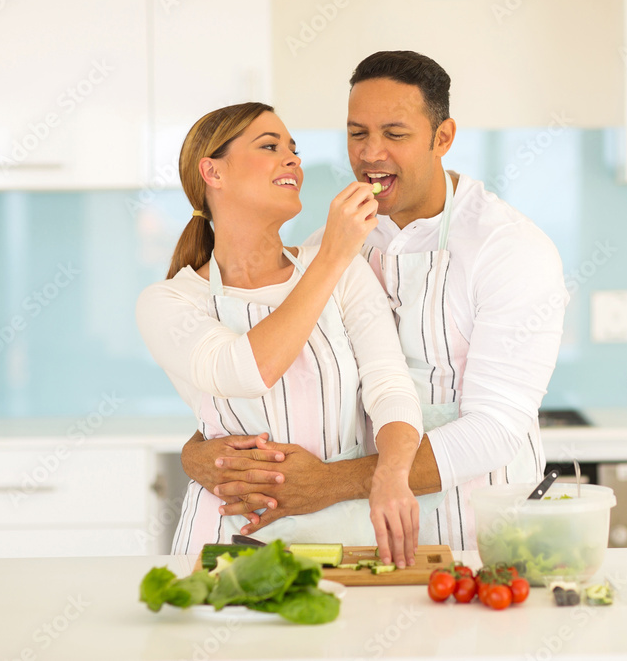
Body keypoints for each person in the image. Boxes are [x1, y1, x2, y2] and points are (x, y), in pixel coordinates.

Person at [181, 51, 569, 551]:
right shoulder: (335, 243)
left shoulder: (509, 247)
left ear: (443, 138)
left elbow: (494, 430)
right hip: (361, 534)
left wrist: (331, 483)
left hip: (476, 530)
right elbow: (277, 386)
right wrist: (196, 454)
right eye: (357, 133)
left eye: (395, 134)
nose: (370, 154)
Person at [136, 102, 429, 567]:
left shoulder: (345, 271)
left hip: (346, 533)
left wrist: (391, 475)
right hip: (230, 537)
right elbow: (247, 371)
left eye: (293, 149)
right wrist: (331, 254)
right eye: (270, 147)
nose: (292, 158)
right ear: (212, 171)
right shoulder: (170, 301)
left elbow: (388, 384)